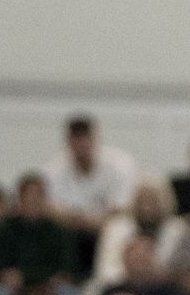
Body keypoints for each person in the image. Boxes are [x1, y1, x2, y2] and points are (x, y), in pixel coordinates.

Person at [42, 115, 138, 274]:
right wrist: (84, 222)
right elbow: (51, 208)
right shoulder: (53, 170)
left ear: (95, 138)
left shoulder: (120, 164)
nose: (81, 145)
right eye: (76, 139)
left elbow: (124, 207)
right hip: (71, 235)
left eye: (84, 138)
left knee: (121, 228)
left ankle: (111, 276)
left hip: (107, 231)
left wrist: (86, 221)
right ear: (68, 142)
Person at [88, 178, 186, 293]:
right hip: (118, 289)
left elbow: (175, 270)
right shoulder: (116, 227)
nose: (147, 206)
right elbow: (105, 269)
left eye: (152, 200)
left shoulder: (177, 229)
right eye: (142, 199)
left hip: (163, 291)